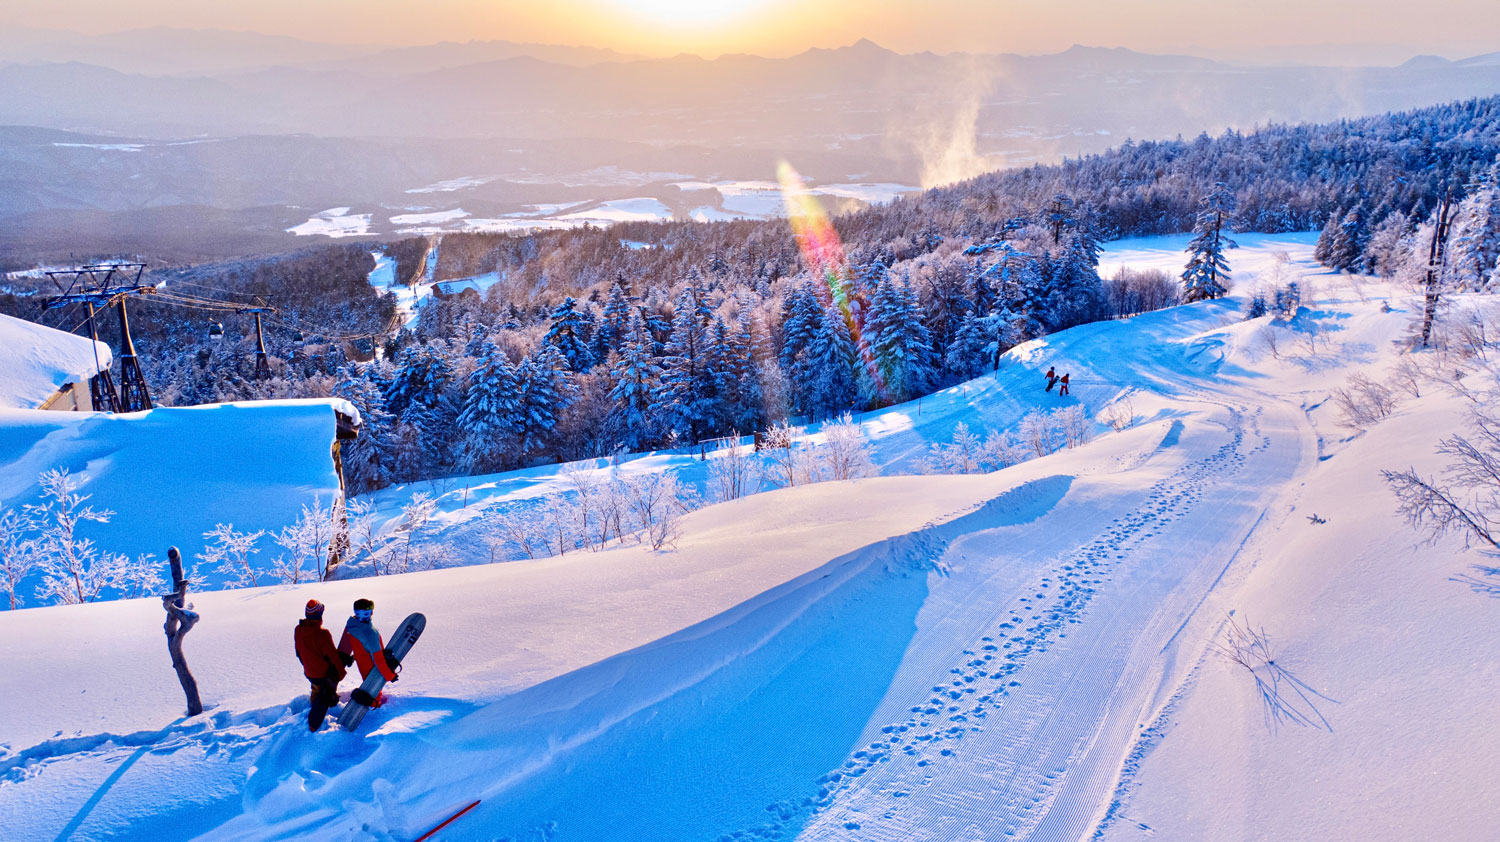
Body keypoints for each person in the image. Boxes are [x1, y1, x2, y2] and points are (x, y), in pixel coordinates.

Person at [293, 599, 346, 732]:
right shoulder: (323, 634)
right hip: (323, 674)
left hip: (310, 672)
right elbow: (333, 656)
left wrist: (308, 666)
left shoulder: (298, 629)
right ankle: (315, 723)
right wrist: (341, 672)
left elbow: (298, 652)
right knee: (324, 695)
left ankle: (317, 700)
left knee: (316, 688)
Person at [338, 598, 399, 707]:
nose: (364, 616)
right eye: (362, 613)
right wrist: (390, 676)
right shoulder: (370, 633)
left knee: (371, 686)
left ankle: (369, 701)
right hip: (372, 668)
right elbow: (378, 660)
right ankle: (373, 707)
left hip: (362, 664)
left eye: (365, 613)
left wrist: (354, 657)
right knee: (375, 691)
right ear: (372, 612)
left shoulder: (352, 625)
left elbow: (360, 645)